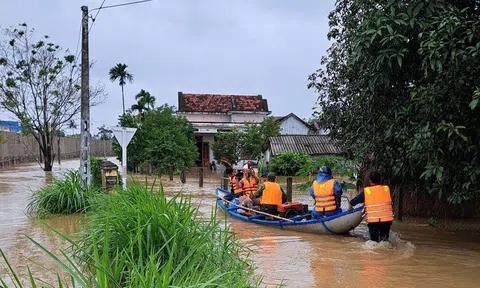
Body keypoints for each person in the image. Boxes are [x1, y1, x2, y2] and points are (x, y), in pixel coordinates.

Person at [349, 170, 394, 242]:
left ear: (370, 180)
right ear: (380, 180)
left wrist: (350, 205)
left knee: (374, 242)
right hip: (386, 221)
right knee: (384, 241)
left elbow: (355, 201)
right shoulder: (386, 189)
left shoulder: (367, 191)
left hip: (374, 221)